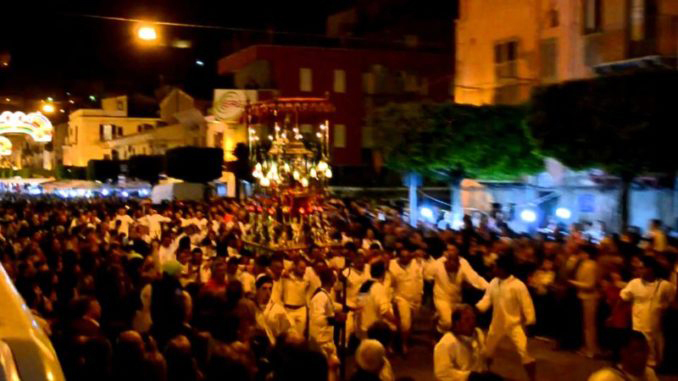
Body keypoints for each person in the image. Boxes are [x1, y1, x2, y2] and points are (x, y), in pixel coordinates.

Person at [476, 253, 536, 381]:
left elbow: (527, 304)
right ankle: (486, 373)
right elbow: (487, 299)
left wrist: (530, 321)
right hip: (497, 323)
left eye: (496, 267)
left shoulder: (518, 285)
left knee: (524, 352)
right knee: (488, 350)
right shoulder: (493, 282)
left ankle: (533, 379)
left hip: (514, 325)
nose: (493, 269)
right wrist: (476, 309)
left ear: (504, 268)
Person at [620, 256, 676, 367]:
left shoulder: (665, 286)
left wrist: (663, 309)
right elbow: (623, 298)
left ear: (651, 269)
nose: (639, 271)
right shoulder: (634, 283)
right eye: (638, 268)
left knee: (656, 344)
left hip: (656, 324)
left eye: (642, 268)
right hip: (638, 324)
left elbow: (672, 300)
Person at [431, 244, 488, 332]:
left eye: (455, 263)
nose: (453, 266)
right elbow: (427, 273)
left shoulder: (463, 264)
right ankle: (438, 331)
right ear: (446, 262)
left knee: (455, 323)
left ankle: (440, 322)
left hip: (456, 299)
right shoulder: (438, 264)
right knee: (447, 322)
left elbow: (475, 278)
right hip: (441, 298)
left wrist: (488, 287)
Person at [434, 304, 488, 381]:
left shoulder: (478, 334)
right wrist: (468, 376)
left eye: (473, 318)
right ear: (457, 323)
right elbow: (442, 374)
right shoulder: (446, 344)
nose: (472, 322)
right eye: (467, 320)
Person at [388, 246, 423, 353]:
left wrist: (420, 294)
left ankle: (405, 339)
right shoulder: (392, 266)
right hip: (401, 297)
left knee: (411, 322)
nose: (406, 258)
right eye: (403, 257)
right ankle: (404, 344)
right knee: (405, 323)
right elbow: (390, 284)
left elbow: (420, 279)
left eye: (408, 256)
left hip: (415, 297)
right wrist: (392, 298)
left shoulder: (416, 264)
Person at [569, 244, 601, 358]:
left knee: (589, 326)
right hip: (584, 297)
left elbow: (590, 284)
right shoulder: (585, 264)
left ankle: (591, 349)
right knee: (587, 325)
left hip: (589, 298)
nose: (580, 254)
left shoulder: (590, 266)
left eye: (582, 252)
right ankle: (588, 347)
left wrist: (573, 283)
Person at [588, 330, 658, 381]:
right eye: (638, 351)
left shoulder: (649, 374)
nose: (644, 355)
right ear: (624, 352)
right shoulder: (605, 378)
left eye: (646, 350)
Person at [310, 268, 344, 363]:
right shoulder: (320, 297)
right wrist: (336, 319)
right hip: (321, 342)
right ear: (332, 279)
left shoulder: (325, 295)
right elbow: (317, 319)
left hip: (327, 339)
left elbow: (332, 306)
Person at [357, 261, 397, 338]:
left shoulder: (364, 286)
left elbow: (359, 306)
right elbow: (384, 311)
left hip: (363, 328)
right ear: (383, 273)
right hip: (375, 330)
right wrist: (396, 321)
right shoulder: (379, 288)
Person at [281, 256, 312, 336]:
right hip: (288, 309)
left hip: (301, 309)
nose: (303, 271)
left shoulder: (306, 280)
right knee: (288, 335)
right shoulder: (286, 276)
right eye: (301, 268)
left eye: (304, 268)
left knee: (299, 335)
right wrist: (291, 268)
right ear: (295, 267)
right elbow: (283, 272)